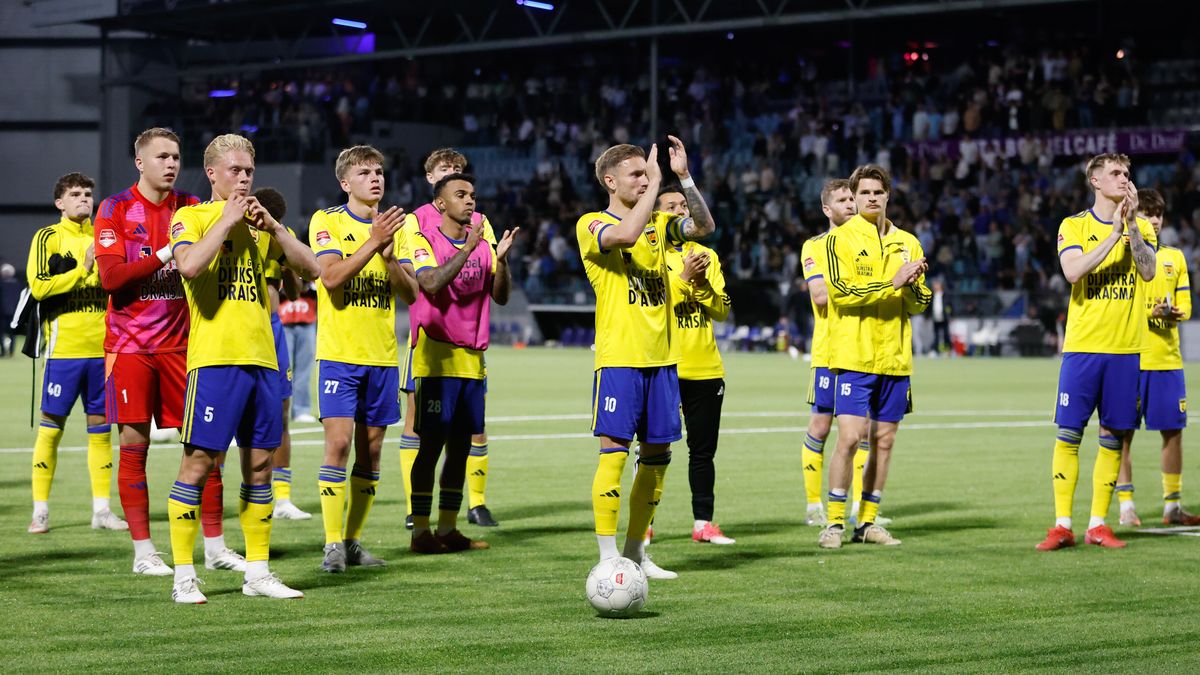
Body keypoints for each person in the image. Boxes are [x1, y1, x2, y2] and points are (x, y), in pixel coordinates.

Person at [166, 134, 320, 602]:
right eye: (235, 170)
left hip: (263, 361)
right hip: (216, 361)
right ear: (212, 173)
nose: (244, 178)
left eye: (249, 171)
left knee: (260, 466)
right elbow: (189, 266)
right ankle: (183, 576)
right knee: (198, 464)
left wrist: (273, 227)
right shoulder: (190, 217)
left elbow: (312, 269)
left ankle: (257, 572)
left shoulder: (261, 226)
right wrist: (228, 219)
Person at [95, 127, 240, 576]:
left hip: (184, 347)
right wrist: (165, 254)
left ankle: (215, 547)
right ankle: (144, 552)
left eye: (176, 156)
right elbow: (111, 279)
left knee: (205, 448)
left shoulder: (192, 207)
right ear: (140, 162)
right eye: (162, 157)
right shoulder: (115, 208)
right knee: (133, 447)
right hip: (130, 347)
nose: (172, 164)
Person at [576, 136, 714, 578]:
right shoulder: (592, 224)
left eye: (646, 173)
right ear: (610, 181)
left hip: (663, 361)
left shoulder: (659, 224)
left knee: (656, 459)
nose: (644, 179)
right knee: (614, 455)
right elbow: (626, 234)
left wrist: (684, 178)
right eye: (635, 174)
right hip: (620, 360)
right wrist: (656, 183)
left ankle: (636, 552)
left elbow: (703, 227)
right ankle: (607, 556)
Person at [1037, 152, 1157, 551]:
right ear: (1095, 181)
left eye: (1127, 173)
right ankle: (1062, 525)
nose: (1124, 179)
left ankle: (1098, 524)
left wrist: (1131, 228)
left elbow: (1148, 271)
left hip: (1125, 349)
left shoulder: (1141, 227)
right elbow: (1073, 271)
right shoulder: (1073, 225)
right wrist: (1113, 235)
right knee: (1069, 433)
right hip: (1083, 347)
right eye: (1116, 173)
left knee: (1113, 436)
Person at [310, 145, 411, 572]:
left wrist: (389, 258)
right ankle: (332, 543)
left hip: (382, 357)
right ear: (345, 183)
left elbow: (412, 293)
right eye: (365, 172)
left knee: (371, 453)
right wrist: (374, 242)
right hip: (339, 354)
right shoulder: (327, 221)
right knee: (338, 444)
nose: (375, 178)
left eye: (379, 172)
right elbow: (331, 277)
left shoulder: (398, 227)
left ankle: (352, 542)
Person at [818, 164, 930, 550]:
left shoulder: (908, 243)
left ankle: (866, 522)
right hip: (854, 356)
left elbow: (920, 303)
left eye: (877, 192)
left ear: (887, 196)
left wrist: (912, 286)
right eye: (863, 192)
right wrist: (892, 282)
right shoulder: (840, 240)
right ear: (854, 196)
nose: (871, 198)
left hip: (895, 358)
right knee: (850, 438)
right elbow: (841, 292)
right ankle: (834, 523)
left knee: (884, 441)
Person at [405, 173, 516, 553]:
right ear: (440, 203)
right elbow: (431, 283)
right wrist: (468, 249)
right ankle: (421, 532)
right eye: (461, 194)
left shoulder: (483, 243)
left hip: (472, 360)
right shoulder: (425, 240)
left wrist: (501, 261)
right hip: (437, 359)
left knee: (460, 449)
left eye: (472, 194)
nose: (470, 200)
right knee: (430, 447)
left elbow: (500, 297)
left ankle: (448, 528)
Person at [25, 172, 125, 534]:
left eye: (87, 194)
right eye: (76, 194)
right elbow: (39, 287)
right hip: (63, 352)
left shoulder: (104, 237)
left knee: (101, 431)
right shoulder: (48, 237)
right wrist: (83, 269)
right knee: (51, 430)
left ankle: (102, 510)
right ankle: (40, 511)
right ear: (60, 203)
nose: (84, 199)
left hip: (102, 352)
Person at [1115, 188, 1200, 527]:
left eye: (1158, 214)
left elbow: (1187, 306)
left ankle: (1172, 506)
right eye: (1146, 214)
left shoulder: (1175, 258)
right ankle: (1126, 506)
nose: (1153, 220)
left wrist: (1176, 312)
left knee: (1173, 431)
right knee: (1122, 433)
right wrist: (1149, 313)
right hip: (1131, 358)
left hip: (1167, 360)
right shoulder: (1123, 256)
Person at [656, 185, 734, 545]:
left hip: (705, 367)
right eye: (670, 206)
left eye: (682, 205)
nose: (679, 210)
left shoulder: (706, 255)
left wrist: (701, 284)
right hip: (663, 365)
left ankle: (704, 523)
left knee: (703, 452)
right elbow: (653, 306)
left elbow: (722, 310)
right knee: (653, 450)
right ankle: (644, 524)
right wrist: (685, 278)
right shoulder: (649, 254)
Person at [251, 187, 312, 521]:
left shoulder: (281, 235)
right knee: (234, 419)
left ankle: (283, 498)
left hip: (274, 329)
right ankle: (218, 494)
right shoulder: (235, 234)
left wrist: (287, 264)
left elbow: (296, 292)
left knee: (282, 412)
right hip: (242, 331)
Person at [799, 179, 859, 527]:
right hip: (830, 351)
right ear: (827, 209)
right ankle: (813, 505)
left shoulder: (872, 244)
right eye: (842, 200)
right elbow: (820, 296)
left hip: (865, 350)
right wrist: (870, 287)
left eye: (852, 198)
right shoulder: (814, 246)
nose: (850, 204)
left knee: (862, 431)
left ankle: (860, 508)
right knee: (821, 426)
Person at [281, 281, 316, 422]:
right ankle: (279, 409)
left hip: (307, 320)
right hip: (284, 321)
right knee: (283, 369)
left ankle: (301, 409)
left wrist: (308, 285)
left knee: (304, 370)